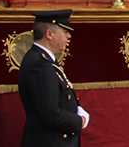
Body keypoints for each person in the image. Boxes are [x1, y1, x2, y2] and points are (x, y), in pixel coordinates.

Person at [18, 9, 88, 146]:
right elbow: (50, 113)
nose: (69, 36)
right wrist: (80, 121)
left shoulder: (43, 60)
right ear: (49, 34)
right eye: (65, 31)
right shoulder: (40, 64)